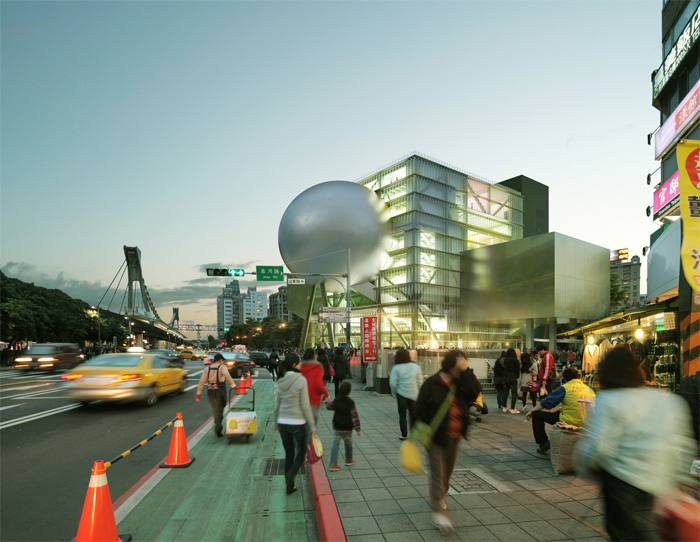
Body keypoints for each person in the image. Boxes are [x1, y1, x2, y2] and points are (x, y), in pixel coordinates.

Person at [575, 347, 694, 541]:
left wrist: (584, 466)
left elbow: (599, 447)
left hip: (622, 484)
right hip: (660, 480)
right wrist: (679, 480)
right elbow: (683, 444)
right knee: (651, 532)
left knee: (625, 535)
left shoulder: (609, 400)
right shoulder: (667, 400)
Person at [415, 350, 480, 534]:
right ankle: (440, 514)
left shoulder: (461, 384)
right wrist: (419, 433)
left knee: (447, 473)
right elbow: (419, 408)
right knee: (438, 473)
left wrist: (467, 371)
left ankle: (439, 496)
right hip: (434, 437)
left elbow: (475, 392)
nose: (463, 369)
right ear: (452, 365)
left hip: (454, 436)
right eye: (460, 365)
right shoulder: (432, 383)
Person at [274, 354, 317, 495]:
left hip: (282, 423)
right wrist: (312, 425)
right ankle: (291, 474)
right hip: (297, 422)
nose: (301, 365)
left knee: (289, 454)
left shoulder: (280, 380)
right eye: (299, 363)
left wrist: (276, 422)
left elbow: (277, 405)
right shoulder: (301, 380)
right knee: (302, 451)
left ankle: (289, 486)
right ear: (294, 365)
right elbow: (305, 405)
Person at [526, 367, 595, 454]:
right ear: (578, 377)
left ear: (565, 378)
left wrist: (531, 411)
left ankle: (543, 443)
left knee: (536, 414)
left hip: (569, 420)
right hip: (587, 422)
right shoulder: (588, 389)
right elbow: (577, 404)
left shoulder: (565, 388)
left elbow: (546, 403)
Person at [195, 353, 237, 437]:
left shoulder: (208, 368)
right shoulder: (222, 367)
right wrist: (234, 386)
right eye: (222, 360)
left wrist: (198, 393)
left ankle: (217, 424)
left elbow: (202, 381)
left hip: (210, 391)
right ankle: (218, 428)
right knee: (220, 409)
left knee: (215, 409)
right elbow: (228, 376)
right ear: (221, 360)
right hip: (219, 391)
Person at [389, 348, 424, 440]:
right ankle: (414, 434)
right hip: (414, 395)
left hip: (401, 395)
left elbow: (392, 383)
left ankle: (404, 435)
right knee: (414, 415)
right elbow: (420, 382)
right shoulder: (416, 367)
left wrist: (394, 393)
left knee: (402, 415)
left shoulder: (396, 368)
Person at [326, 381, 361, 471]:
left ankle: (333, 464)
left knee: (335, 445)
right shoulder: (350, 402)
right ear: (349, 391)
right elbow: (355, 416)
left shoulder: (337, 400)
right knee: (348, 443)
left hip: (337, 427)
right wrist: (358, 429)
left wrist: (327, 402)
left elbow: (329, 407)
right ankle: (349, 460)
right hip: (348, 428)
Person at [300, 348, 329, 428]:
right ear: (314, 356)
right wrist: (326, 394)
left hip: (300, 401)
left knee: (301, 429)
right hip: (313, 401)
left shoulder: (299, 367)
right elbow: (318, 384)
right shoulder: (317, 367)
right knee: (311, 429)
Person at [503, 348, 521, 414]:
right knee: (514, 394)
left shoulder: (505, 360)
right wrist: (517, 376)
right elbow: (517, 370)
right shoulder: (516, 360)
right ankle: (512, 408)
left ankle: (504, 407)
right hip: (513, 377)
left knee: (505, 393)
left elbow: (504, 369)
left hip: (506, 377)